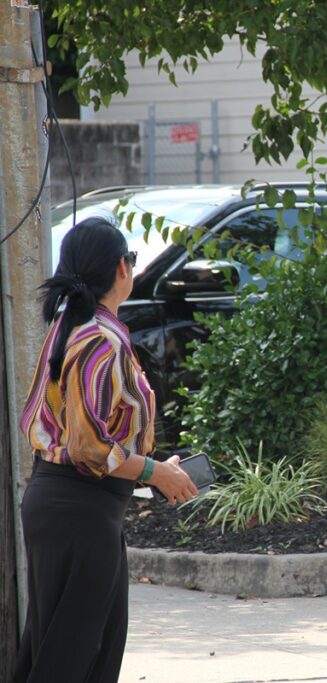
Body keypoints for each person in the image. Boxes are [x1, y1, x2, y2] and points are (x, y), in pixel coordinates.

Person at [15, 217, 198, 682]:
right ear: (122, 267)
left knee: (68, 650)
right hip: (81, 510)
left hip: (70, 506)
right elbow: (89, 447)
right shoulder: (100, 337)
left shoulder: (71, 326)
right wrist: (155, 471)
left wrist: (152, 467)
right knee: (75, 657)